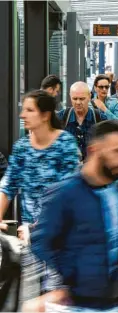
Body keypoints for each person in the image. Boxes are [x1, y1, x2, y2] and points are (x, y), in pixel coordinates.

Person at [30, 120, 118, 312]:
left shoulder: (116, 189)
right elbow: (41, 241)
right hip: (78, 305)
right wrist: (72, 279)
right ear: (94, 150)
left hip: (114, 303)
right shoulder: (65, 193)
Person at [0, 90, 80, 306]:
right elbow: (8, 187)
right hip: (31, 240)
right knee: (29, 300)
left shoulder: (65, 143)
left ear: (45, 115)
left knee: (56, 302)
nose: (22, 115)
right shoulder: (22, 147)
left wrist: (40, 226)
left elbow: (70, 191)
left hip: (61, 238)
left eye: (29, 110)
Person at [57, 81, 107, 161]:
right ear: (70, 97)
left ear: (90, 97)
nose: (78, 102)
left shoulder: (100, 118)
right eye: (75, 98)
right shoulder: (61, 117)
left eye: (82, 99)